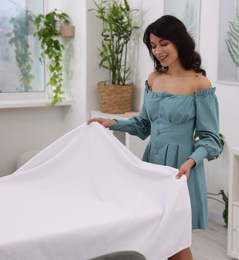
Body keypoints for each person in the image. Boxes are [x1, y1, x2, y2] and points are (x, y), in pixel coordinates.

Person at [87, 15, 222, 260]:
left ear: (179, 42)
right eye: (153, 46)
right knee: (158, 237)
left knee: (174, 240)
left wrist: (192, 161)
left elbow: (211, 138)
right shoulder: (154, 79)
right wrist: (113, 123)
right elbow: (144, 125)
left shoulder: (199, 84)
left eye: (163, 43)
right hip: (152, 163)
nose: (157, 51)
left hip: (181, 169)